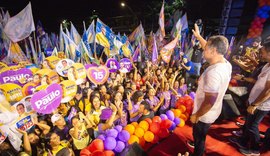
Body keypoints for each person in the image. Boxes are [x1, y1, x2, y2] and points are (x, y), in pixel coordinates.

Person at [188, 23, 232, 156]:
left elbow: (209, 101)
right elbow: (208, 46)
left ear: (213, 51)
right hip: (211, 112)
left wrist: (197, 115)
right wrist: (199, 36)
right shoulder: (225, 63)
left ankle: (198, 152)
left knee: (199, 137)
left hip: (204, 114)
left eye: (206, 48)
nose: (203, 49)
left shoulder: (214, 73)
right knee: (200, 136)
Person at [229, 38, 270, 155]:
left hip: (261, 105)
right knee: (248, 124)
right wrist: (242, 78)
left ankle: (255, 150)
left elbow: (268, 91)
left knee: (252, 126)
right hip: (255, 101)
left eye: (263, 51)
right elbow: (256, 81)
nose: (260, 53)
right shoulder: (267, 65)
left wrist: (255, 104)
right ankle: (242, 141)